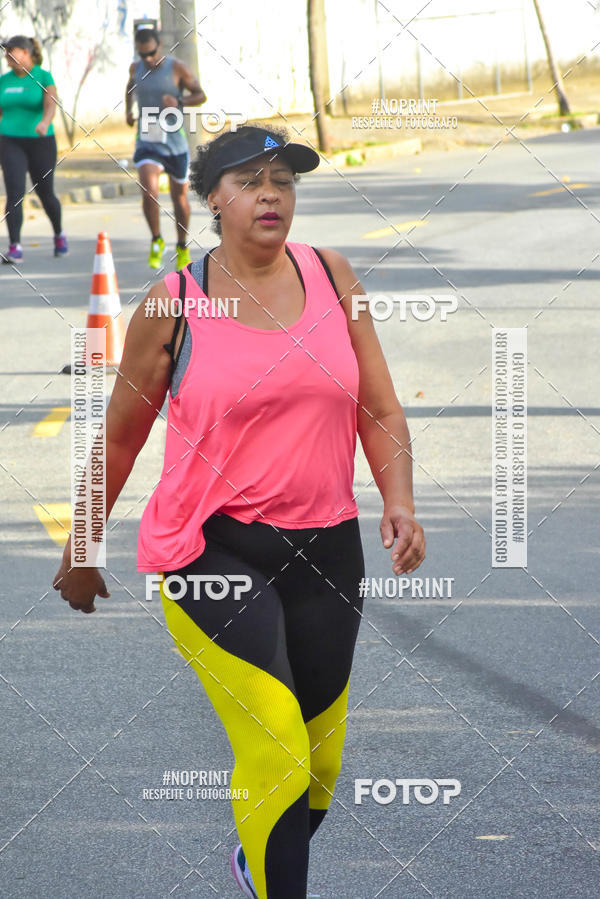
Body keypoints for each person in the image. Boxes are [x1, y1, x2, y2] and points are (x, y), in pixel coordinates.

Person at [53, 124, 426, 898]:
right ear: (212, 198)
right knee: (278, 741)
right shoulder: (176, 302)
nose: (271, 194)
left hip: (327, 547)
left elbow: (380, 405)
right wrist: (81, 546)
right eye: (251, 181)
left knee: (320, 761)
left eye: (284, 181)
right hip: (211, 550)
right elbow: (121, 436)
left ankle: (257, 855)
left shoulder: (333, 277)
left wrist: (399, 502)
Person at [125, 23, 206, 271]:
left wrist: (179, 101)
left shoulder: (176, 68)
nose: (148, 59)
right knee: (148, 189)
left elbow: (201, 95)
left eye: (151, 53)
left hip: (174, 139)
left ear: (159, 46)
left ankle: (182, 245)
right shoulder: (136, 68)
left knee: (178, 196)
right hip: (148, 138)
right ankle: (157, 239)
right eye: (143, 54)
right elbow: (130, 87)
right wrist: (128, 109)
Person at [0, 35, 67, 264]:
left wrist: (45, 122)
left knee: (45, 192)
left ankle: (58, 233)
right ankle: (15, 246)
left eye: (11, 51)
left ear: (26, 53)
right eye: (5, 52)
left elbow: (51, 102)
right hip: (10, 141)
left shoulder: (42, 76)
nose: (7, 56)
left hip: (41, 141)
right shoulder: (4, 80)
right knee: (15, 193)